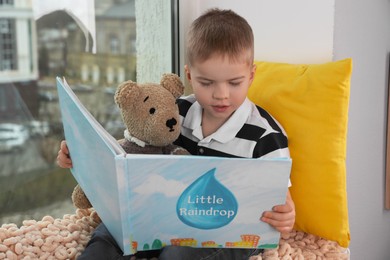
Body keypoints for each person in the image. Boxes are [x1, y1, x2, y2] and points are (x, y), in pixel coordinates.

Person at [57, 8, 295, 260]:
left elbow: (281, 201)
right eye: (207, 82)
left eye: (234, 82)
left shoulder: (266, 136)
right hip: (165, 215)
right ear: (190, 76)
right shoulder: (177, 112)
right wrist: (81, 154)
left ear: (251, 76)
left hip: (228, 231)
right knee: (107, 238)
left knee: (178, 254)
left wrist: (287, 215)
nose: (221, 94)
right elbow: (131, 150)